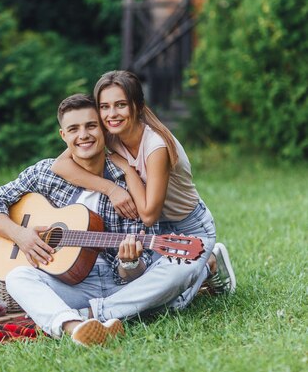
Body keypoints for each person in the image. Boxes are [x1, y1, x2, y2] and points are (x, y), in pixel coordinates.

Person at [0, 94, 158, 346]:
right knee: (17, 277)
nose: (83, 135)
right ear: (63, 136)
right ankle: (75, 328)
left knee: (165, 279)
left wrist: (130, 263)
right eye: (74, 129)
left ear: (103, 129)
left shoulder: (128, 182)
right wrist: (20, 234)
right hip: (64, 283)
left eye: (91, 126)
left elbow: (133, 272)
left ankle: (88, 315)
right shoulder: (45, 173)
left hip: (114, 282)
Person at [52, 70, 235, 299]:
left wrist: (127, 170)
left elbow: (148, 214)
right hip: (156, 230)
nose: (111, 114)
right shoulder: (110, 133)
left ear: (137, 106)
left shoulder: (155, 146)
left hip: (188, 227)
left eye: (120, 105)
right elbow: (60, 165)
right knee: (138, 286)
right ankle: (202, 264)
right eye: (104, 106)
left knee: (169, 301)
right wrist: (111, 188)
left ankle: (208, 265)